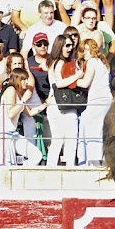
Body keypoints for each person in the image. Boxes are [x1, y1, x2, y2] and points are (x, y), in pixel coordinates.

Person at [0, 68, 49, 166]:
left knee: (36, 155)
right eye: (24, 79)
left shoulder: (18, 94)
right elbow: (10, 114)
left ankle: (24, 174)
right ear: (18, 79)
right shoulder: (11, 90)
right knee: (7, 168)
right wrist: (23, 101)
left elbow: (30, 113)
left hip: (13, 135)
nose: (27, 82)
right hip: (2, 136)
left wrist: (47, 103)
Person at [46, 34, 83, 166]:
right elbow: (59, 83)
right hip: (63, 104)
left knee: (57, 140)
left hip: (55, 104)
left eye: (71, 45)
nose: (70, 48)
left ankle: (50, 168)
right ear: (59, 46)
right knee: (70, 139)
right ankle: (69, 168)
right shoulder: (60, 62)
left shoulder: (53, 62)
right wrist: (77, 75)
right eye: (66, 45)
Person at [76, 39, 113, 166]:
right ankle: (101, 159)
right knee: (100, 129)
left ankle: (92, 160)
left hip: (98, 100)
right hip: (106, 100)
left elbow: (85, 83)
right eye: (82, 50)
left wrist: (71, 80)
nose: (84, 53)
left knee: (91, 128)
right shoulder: (103, 63)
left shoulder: (92, 62)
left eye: (86, 50)